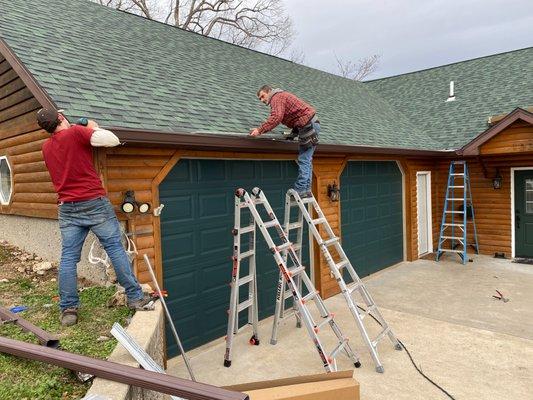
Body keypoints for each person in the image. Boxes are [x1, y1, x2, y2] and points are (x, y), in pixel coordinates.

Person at [37, 108, 152, 326]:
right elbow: (112, 139)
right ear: (61, 118)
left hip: (67, 207)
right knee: (115, 248)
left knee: (69, 257)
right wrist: (91, 126)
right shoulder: (76, 133)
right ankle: (135, 297)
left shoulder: (46, 147)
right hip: (94, 203)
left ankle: (68, 309)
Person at [250, 85, 320, 198]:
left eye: (263, 96)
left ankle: (301, 189)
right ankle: (306, 190)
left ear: (269, 92)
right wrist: (293, 133)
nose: (262, 100)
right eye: (260, 99)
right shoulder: (281, 96)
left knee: (304, 159)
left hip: (308, 125)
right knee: (307, 159)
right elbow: (298, 115)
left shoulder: (276, 97)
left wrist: (259, 130)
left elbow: (276, 117)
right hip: (309, 124)